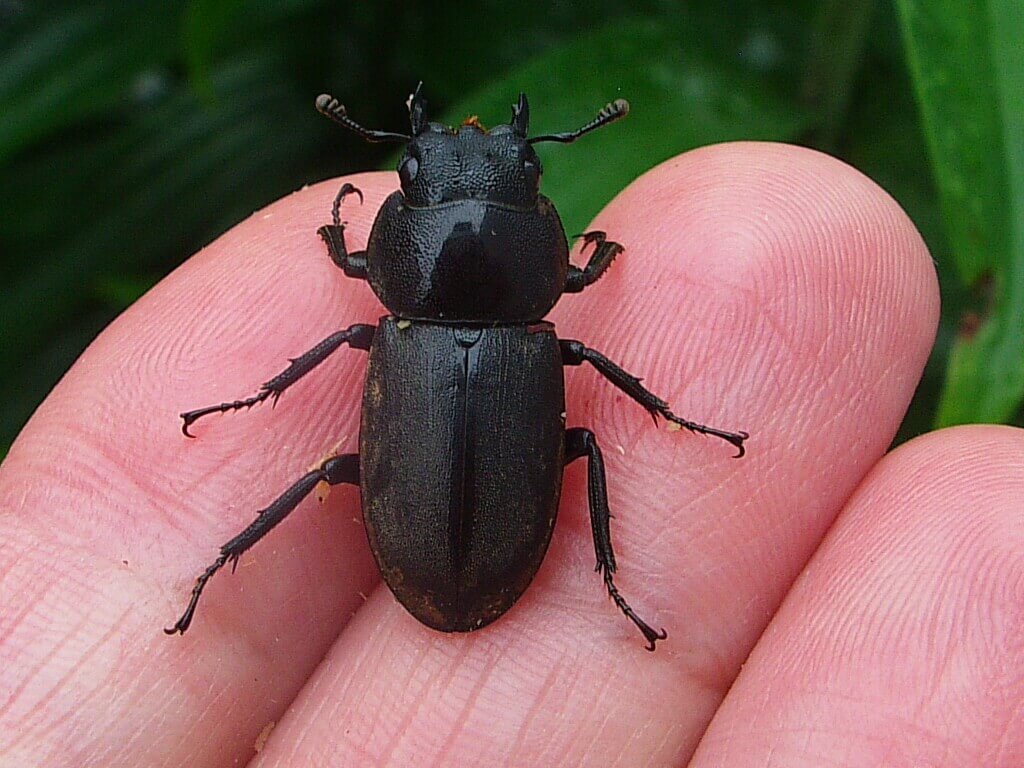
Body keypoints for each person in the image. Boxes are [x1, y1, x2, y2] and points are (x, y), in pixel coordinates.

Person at [1, 143, 1020, 767]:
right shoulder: (542, 326)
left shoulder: (388, 325)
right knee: (577, 442)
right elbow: (530, 291)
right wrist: (657, 390)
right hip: (478, 538)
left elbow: (364, 267)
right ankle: (608, 576)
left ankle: (216, 569)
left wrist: (340, 266)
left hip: (456, 544)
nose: (470, 160)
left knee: (327, 469)